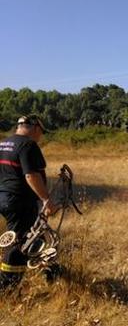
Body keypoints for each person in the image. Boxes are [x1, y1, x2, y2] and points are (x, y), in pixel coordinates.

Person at [0, 115, 58, 290]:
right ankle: (7, 287)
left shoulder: (3, 143)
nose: (40, 136)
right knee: (20, 243)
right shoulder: (28, 145)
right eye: (41, 132)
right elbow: (31, 175)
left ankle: (47, 272)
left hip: (4, 198)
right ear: (35, 128)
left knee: (31, 237)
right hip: (20, 202)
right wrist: (46, 200)